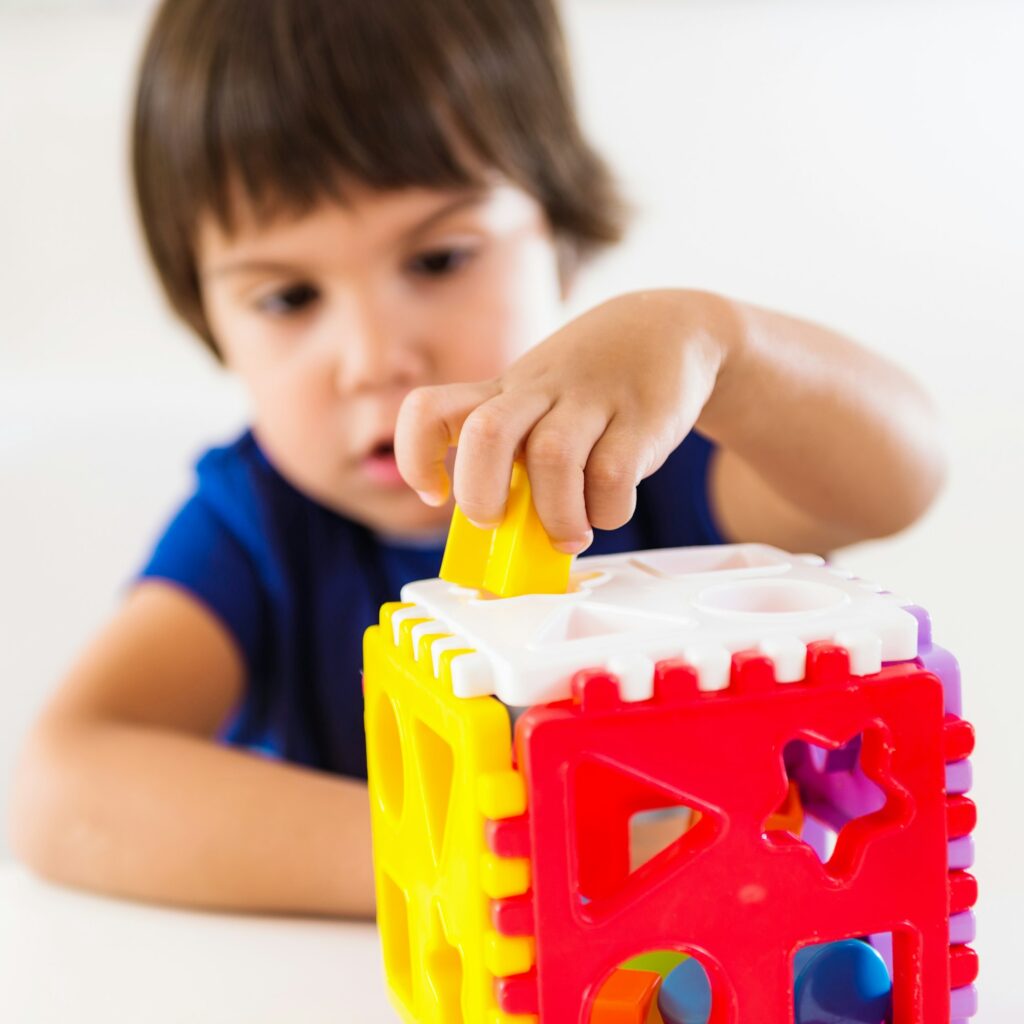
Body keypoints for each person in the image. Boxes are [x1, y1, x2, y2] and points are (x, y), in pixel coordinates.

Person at [9, 0, 944, 921]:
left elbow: (901, 476)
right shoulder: (254, 524)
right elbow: (59, 789)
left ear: (562, 240)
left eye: (441, 259)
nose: (375, 357)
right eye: (289, 296)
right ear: (206, 319)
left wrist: (720, 346)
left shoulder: (640, 465)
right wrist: (470, 858)